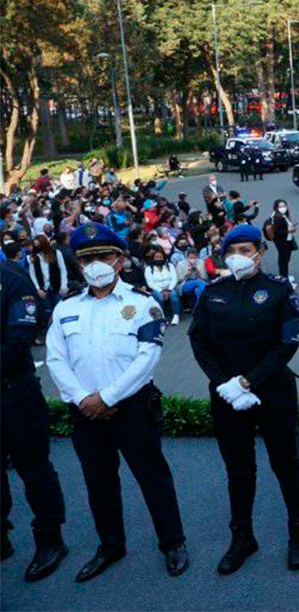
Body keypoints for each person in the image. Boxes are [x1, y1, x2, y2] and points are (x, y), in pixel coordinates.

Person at [45, 223, 188, 581]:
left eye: (104, 256)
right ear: (79, 264)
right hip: (85, 412)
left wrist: (106, 397)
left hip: (133, 410)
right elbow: (56, 359)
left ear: (120, 260)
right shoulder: (65, 309)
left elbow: (147, 357)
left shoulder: (142, 303)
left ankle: (172, 542)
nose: (97, 264)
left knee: (152, 477)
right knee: (98, 482)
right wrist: (83, 399)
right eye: (88, 258)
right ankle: (110, 545)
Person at [188, 224, 299, 574]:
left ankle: (298, 534)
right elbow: (199, 343)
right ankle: (242, 538)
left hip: (272, 390)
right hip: (227, 395)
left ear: (261, 251)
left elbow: (288, 342)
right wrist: (225, 383)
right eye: (232, 251)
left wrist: (247, 381)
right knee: (239, 470)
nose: (239, 257)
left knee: (285, 464)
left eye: (246, 249)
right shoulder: (213, 292)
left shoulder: (279, 290)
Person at [1, 259, 68, 582]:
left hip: (14, 391)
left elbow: (18, 339)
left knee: (34, 468)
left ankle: (50, 541)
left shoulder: (12, 280)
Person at [144, 247, 181, 326]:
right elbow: (150, 283)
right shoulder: (148, 268)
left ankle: (176, 315)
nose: (158, 259)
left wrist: (169, 289)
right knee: (159, 297)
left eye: (160, 257)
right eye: (156, 257)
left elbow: (174, 278)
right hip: (157, 289)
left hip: (170, 287)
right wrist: (161, 290)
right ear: (153, 258)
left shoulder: (170, 266)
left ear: (164, 257)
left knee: (174, 295)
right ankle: (161, 317)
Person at [266, 200, 297, 279]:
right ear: (276, 207)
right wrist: (288, 230)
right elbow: (277, 231)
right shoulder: (278, 218)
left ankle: (284, 275)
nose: (283, 208)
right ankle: (284, 277)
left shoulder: (281, 215)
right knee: (284, 260)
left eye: (284, 206)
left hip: (285, 240)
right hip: (282, 242)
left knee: (284, 259)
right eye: (280, 206)